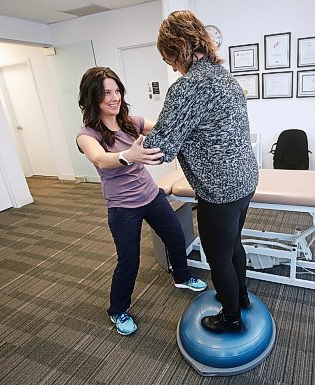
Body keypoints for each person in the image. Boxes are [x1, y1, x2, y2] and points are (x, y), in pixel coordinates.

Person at [143, 10, 259, 333]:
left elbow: (160, 148)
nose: (170, 65)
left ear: (177, 46)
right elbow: (198, 127)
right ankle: (243, 299)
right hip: (244, 179)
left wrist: (129, 144)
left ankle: (231, 317)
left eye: (168, 56)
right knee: (233, 244)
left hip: (219, 190)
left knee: (217, 257)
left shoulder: (186, 88)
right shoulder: (223, 76)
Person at [76, 67, 207, 336]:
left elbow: (163, 127)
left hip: (150, 195)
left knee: (175, 236)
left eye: (117, 91)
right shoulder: (87, 135)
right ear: (93, 97)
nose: (114, 98)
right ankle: (117, 310)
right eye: (106, 93)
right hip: (123, 207)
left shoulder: (131, 122)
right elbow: (101, 159)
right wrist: (129, 155)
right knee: (129, 261)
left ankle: (181, 278)